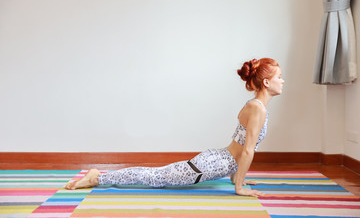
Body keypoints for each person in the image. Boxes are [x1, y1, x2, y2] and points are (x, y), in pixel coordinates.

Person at [65, 58, 284, 197]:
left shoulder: (256, 107)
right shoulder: (258, 109)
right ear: (266, 82)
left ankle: (98, 177)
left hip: (217, 160)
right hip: (211, 165)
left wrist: (238, 178)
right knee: (155, 178)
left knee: (156, 176)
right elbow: (246, 150)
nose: (282, 81)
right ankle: (97, 178)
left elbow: (241, 146)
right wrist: (239, 188)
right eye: (279, 77)